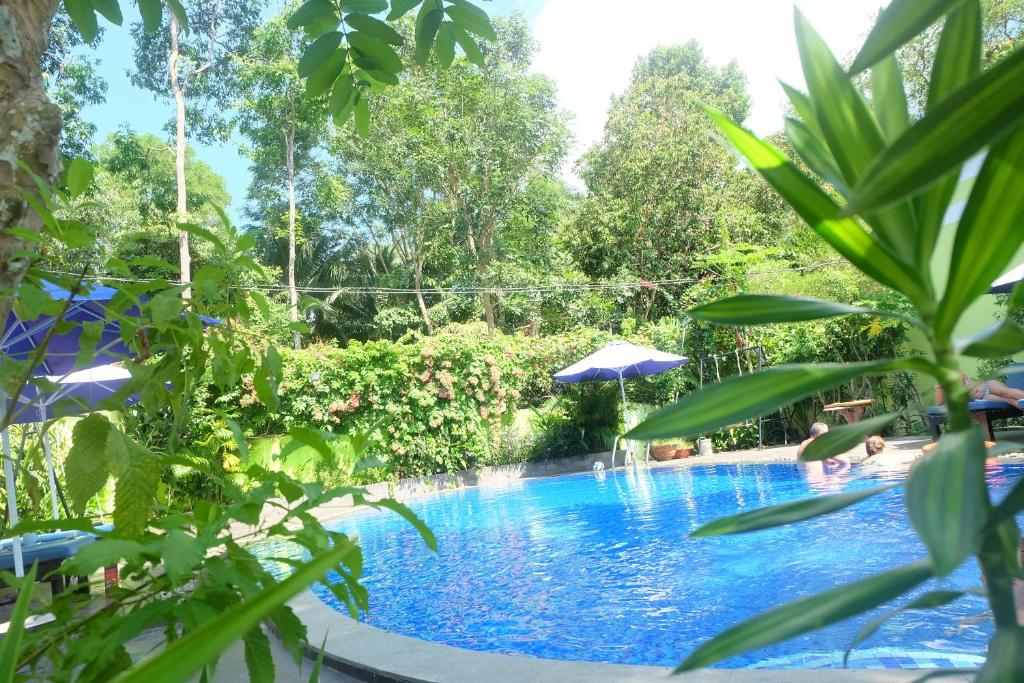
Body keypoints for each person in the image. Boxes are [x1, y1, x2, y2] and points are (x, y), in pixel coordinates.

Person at [935, 374, 1024, 410]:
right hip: (983, 398)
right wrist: (939, 386)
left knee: (1006, 392)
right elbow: (939, 404)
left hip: (987, 386)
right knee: (1008, 400)